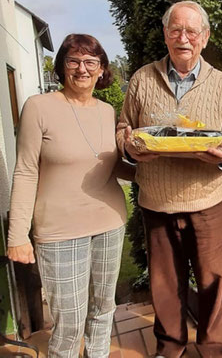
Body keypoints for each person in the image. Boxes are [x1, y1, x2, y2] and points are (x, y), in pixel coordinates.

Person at [117, 0, 222, 358]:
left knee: (211, 282)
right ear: (165, 34)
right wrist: (130, 147)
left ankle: (214, 348)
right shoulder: (143, 78)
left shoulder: (221, 84)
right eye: (176, 29)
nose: (183, 37)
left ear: (204, 37)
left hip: (208, 202)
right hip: (157, 202)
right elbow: (124, 128)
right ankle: (169, 346)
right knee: (164, 283)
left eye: (191, 31)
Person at [7, 34, 134, 358]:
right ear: (61, 66)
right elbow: (25, 171)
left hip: (108, 222)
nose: (82, 69)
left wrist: (143, 157)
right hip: (59, 231)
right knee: (69, 322)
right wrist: (18, 234)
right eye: (73, 61)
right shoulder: (39, 107)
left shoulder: (107, 111)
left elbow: (112, 165)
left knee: (104, 307)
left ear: (102, 68)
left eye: (90, 62)